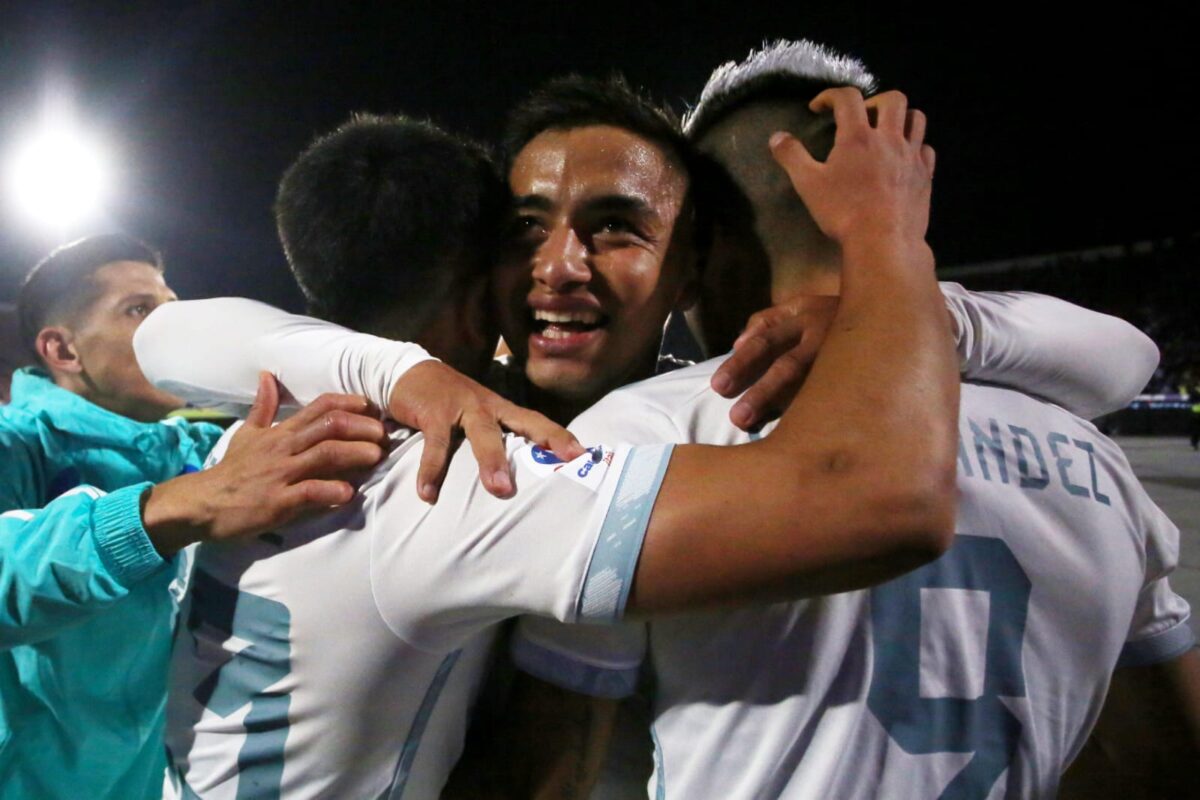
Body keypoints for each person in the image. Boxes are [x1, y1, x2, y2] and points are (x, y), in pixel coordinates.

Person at [141, 78, 1168, 799]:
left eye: (617, 227)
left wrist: (917, 312)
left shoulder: (643, 424)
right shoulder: (465, 451)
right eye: (525, 229)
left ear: (690, 274)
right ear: (477, 266)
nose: (560, 266)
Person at [503, 40, 1199, 798]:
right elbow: (1162, 758)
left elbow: (548, 775)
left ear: (706, 251)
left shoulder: (643, 436)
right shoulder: (1092, 456)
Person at [0, 235, 397, 800]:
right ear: (64, 352)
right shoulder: (17, 444)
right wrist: (181, 505)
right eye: (139, 311)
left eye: (173, 308)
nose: (171, 329)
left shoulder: (202, 446)